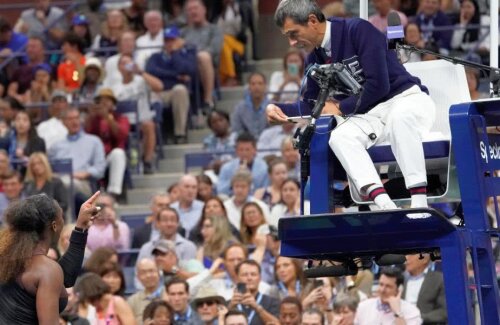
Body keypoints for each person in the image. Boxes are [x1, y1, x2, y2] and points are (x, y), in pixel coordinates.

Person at [267, 0, 436, 211]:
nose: (292, 42)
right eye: (288, 37)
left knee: (399, 120)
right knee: (340, 137)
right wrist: (278, 109)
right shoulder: (314, 58)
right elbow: (313, 105)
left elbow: (379, 85)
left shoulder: (357, 30)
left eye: (293, 33)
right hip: (371, 115)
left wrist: (340, 107)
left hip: (406, 99)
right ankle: (384, 205)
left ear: (312, 21)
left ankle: (419, 203)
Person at [0, 191, 100, 324]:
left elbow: (65, 279)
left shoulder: (6, 259)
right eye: (62, 217)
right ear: (54, 225)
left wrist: (80, 227)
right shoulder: (46, 269)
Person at [108, 53, 163, 173]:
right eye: (123, 63)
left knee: (149, 125)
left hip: (142, 119)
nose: (127, 65)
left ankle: (147, 161)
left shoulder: (141, 80)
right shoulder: (115, 88)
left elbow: (159, 87)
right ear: (119, 68)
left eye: (129, 62)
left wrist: (141, 72)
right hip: (124, 122)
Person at [146, 25, 195, 143]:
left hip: (175, 92)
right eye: (166, 40)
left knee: (180, 89)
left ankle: (180, 134)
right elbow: (151, 71)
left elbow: (187, 70)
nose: (169, 43)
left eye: (172, 40)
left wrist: (175, 53)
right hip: (158, 92)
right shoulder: (156, 56)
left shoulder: (187, 54)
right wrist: (175, 76)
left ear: (179, 40)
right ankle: (154, 137)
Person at [48, 107, 107, 201]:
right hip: (60, 181)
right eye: (70, 119)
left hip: (84, 183)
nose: (74, 122)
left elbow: (100, 169)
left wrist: (85, 173)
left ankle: (68, 216)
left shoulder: (94, 141)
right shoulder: (56, 146)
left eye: (76, 118)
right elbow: (50, 168)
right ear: (63, 122)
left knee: (66, 183)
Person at [84, 88, 129, 198]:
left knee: (118, 154)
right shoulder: (93, 119)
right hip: (93, 160)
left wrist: (107, 118)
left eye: (107, 100)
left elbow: (121, 135)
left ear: (113, 104)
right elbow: (84, 137)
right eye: (101, 100)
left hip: (109, 156)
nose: (104, 103)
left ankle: (113, 194)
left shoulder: (120, 118)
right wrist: (90, 116)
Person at [182, 0, 223, 110]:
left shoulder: (214, 29)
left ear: (204, 10)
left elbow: (215, 49)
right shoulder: (183, 33)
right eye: (190, 10)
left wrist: (195, 52)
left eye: (196, 8)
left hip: (208, 64)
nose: (193, 12)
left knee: (203, 56)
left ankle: (208, 100)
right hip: (187, 65)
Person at [354, 267, 422, 325]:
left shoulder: (412, 311)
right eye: (381, 284)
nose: (382, 290)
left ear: (399, 290)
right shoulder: (363, 307)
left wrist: (398, 312)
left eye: (388, 286)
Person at [228, 260, 281, 325]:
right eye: (244, 275)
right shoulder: (228, 304)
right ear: (237, 279)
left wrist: (256, 307)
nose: (249, 278)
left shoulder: (272, 302)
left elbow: (278, 323)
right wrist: (230, 308)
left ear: (260, 278)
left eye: (253, 274)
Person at [403, 254, 447, 324]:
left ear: (424, 259)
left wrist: (418, 318)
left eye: (411, 254)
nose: (406, 257)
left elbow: (443, 312)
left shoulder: (438, 279)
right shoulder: (400, 279)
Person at [231, 72, 270, 139]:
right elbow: (237, 129)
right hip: (246, 143)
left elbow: (275, 130)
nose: (256, 87)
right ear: (249, 87)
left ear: (265, 86)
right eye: (253, 84)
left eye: (260, 83)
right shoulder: (239, 108)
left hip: (268, 143)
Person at [128, 258, 166, 324]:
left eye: (151, 271)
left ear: (159, 273)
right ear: (138, 277)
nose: (148, 275)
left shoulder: (172, 294)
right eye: (143, 273)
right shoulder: (132, 301)